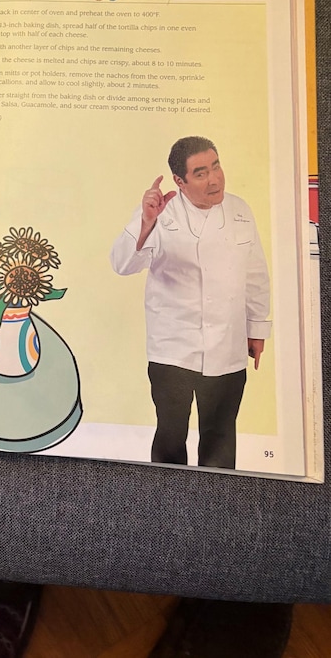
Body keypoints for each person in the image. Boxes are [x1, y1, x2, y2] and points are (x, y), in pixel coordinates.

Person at [109, 136, 271, 469]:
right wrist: (146, 222)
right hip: (173, 350)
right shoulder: (157, 215)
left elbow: (255, 274)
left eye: (216, 166)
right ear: (179, 182)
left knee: (221, 435)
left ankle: (218, 502)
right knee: (171, 436)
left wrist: (256, 329)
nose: (214, 178)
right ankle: (169, 500)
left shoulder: (240, 209)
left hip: (227, 347)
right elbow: (122, 264)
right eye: (201, 173)